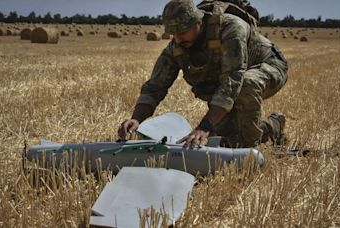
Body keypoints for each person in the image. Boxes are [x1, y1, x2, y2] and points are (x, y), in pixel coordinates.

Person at [118, 0, 288, 148]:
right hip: (232, 82)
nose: (177, 39)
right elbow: (155, 87)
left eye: (182, 32)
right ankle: (273, 126)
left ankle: (250, 148)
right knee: (227, 140)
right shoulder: (176, 47)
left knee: (246, 85)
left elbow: (233, 79)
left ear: (198, 22)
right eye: (173, 33)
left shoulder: (230, 28)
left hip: (268, 66)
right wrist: (136, 120)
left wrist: (204, 126)